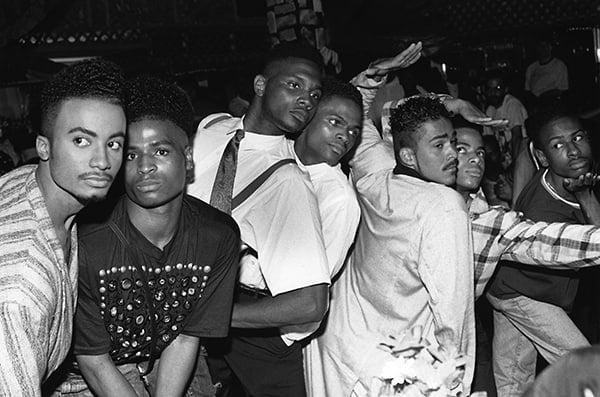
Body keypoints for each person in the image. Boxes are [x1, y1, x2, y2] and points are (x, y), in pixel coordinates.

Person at [67, 76, 240, 397]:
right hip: (88, 370)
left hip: (165, 353)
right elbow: (93, 359)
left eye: (160, 150)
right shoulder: (90, 240)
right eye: (131, 155)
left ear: (187, 159)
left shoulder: (217, 237)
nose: (145, 166)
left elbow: (186, 336)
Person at [187, 40, 331, 396]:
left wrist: (219, 316)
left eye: (314, 94)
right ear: (260, 85)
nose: (305, 100)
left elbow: (311, 302)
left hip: (228, 315)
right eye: (294, 85)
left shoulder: (288, 182)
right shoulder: (213, 126)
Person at [313, 94, 477, 396]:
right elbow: (454, 309)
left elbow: (356, 112)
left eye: (453, 142)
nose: (454, 154)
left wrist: (373, 78)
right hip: (388, 366)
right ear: (409, 157)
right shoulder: (444, 206)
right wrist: (457, 380)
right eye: (439, 145)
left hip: (334, 341)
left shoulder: (375, 173)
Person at [0, 59, 127, 395]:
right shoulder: (22, 285)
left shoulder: (33, 186)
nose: (102, 161)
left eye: (113, 143)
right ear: (44, 146)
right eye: (82, 141)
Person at [487, 102, 600, 397]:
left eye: (578, 138)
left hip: (513, 289)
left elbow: (525, 148)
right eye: (558, 145)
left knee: (514, 378)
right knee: (585, 367)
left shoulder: (573, 174)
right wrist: (587, 198)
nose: (573, 151)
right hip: (523, 294)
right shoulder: (542, 206)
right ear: (543, 156)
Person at [483, 72, 528, 173]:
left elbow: (517, 137)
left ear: (505, 89)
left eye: (497, 88)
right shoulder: (490, 110)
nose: (493, 92)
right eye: (489, 89)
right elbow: (488, 140)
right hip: (503, 159)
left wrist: (516, 166)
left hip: (520, 156)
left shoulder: (512, 105)